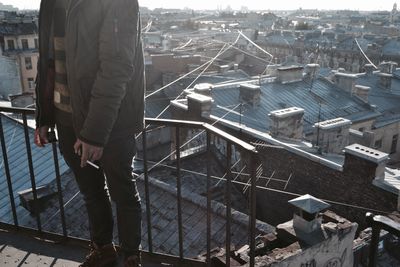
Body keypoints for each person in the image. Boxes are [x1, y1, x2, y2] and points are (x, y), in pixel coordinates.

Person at [34, 0, 145, 266]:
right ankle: (104, 251)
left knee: (123, 192)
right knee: (91, 192)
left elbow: (116, 67)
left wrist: (94, 133)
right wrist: (44, 116)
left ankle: (131, 257)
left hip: (111, 124)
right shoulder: (50, 2)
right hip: (66, 120)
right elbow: (47, 61)